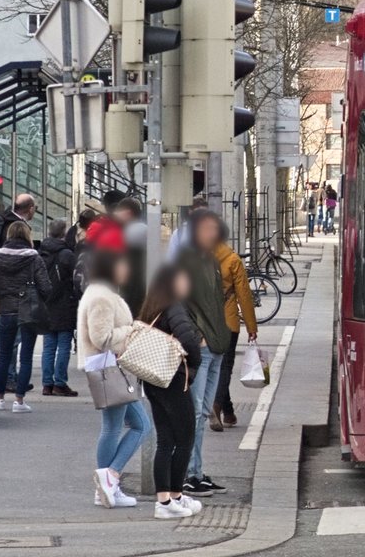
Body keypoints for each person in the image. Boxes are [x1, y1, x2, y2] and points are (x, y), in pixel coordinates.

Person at [77, 249, 152, 509]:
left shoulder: (101, 292)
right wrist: (131, 331)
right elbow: (101, 338)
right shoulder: (102, 296)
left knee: (128, 425)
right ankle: (110, 478)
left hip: (111, 370)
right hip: (110, 369)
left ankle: (107, 487)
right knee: (135, 426)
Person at [138, 265, 203, 520]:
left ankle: (166, 499)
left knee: (165, 440)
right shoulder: (174, 307)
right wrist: (194, 363)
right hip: (172, 379)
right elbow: (188, 340)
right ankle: (173, 496)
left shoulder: (151, 308)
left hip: (153, 380)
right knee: (185, 438)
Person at [177, 210, 232, 497]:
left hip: (216, 343)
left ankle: (196, 471)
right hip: (203, 346)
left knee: (201, 413)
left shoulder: (211, 261)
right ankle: (189, 474)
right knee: (195, 412)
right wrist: (195, 336)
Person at [0, 220, 50, 412]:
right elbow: (45, 287)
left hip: (6, 310)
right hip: (28, 311)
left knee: (4, 354)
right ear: (27, 236)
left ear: (9, 235)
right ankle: (19, 401)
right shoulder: (34, 258)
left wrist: (3, 297)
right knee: (26, 357)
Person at [211, 229, 257, 432]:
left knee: (215, 366)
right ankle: (216, 406)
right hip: (228, 322)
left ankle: (228, 412)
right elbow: (244, 296)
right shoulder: (233, 260)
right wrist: (251, 327)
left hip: (206, 322)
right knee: (225, 367)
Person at [39, 219, 79, 397]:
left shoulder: (41, 253)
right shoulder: (67, 254)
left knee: (49, 346)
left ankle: (47, 383)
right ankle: (60, 382)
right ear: (64, 233)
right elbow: (76, 279)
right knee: (64, 345)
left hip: (46, 304)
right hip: (64, 303)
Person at [114, 198, 148, 317]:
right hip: (139, 290)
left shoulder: (131, 231)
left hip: (131, 291)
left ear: (128, 213)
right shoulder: (144, 229)